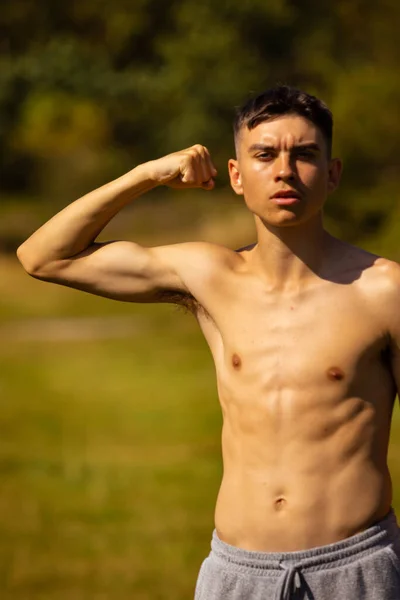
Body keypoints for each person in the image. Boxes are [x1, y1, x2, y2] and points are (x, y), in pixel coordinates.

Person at [17, 85, 400, 599]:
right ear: (237, 177)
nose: (284, 171)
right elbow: (44, 257)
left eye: (305, 154)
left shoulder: (384, 290)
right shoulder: (209, 275)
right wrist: (148, 173)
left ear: (332, 175)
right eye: (264, 155)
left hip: (356, 568)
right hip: (239, 574)